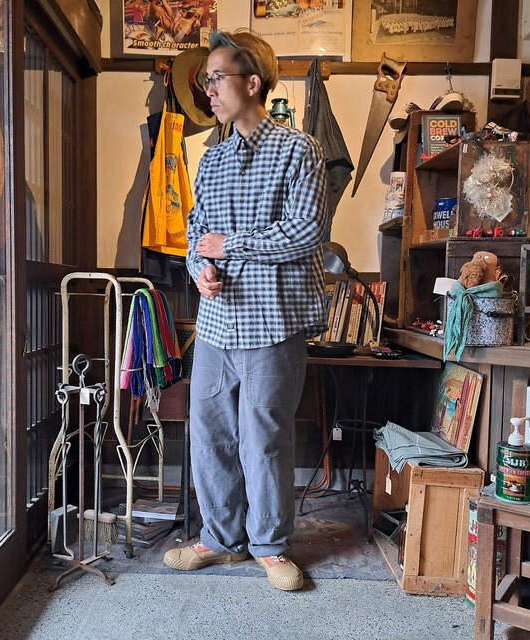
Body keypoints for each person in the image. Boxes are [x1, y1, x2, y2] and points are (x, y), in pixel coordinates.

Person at [163, 29, 329, 591]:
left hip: (273, 320)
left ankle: (271, 547)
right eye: (206, 80)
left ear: (252, 82)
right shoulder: (211, 160)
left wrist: (230, 246)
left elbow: (306, 232)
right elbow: (196, 233)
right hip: (216, 322)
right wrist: (199, 269)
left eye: (217, 78)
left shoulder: (299, 150)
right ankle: (219, 538)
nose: (209, 89)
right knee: (209, 431)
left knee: (264, 437)